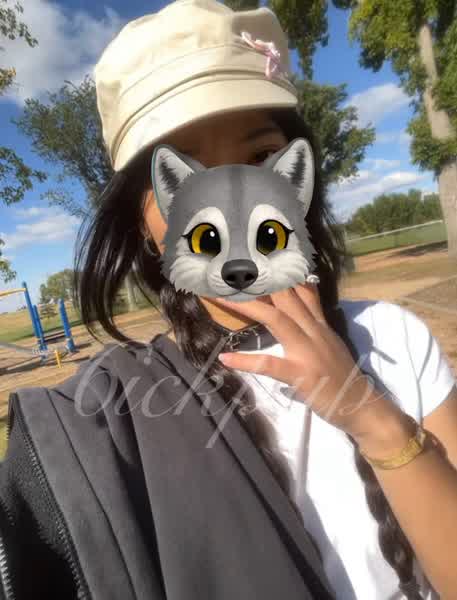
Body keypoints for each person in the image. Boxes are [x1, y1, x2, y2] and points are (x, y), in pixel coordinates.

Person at [1, 1, 456, 599]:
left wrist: (371, 418)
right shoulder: (107, 418)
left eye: (262, 157)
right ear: (144, 223)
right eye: (183, 175)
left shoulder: (395, 339)